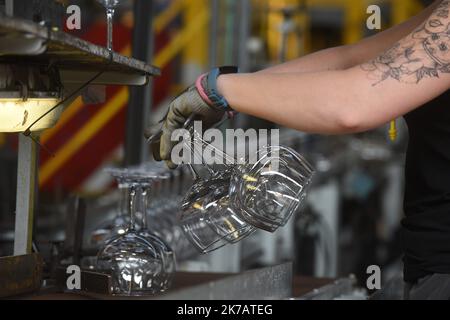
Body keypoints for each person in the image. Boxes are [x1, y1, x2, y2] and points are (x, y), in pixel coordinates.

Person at [146, 0, 450, 299]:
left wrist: (219, 91)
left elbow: (354, 103)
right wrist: (225, 87)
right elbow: (355, 58)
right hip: (428, 264)